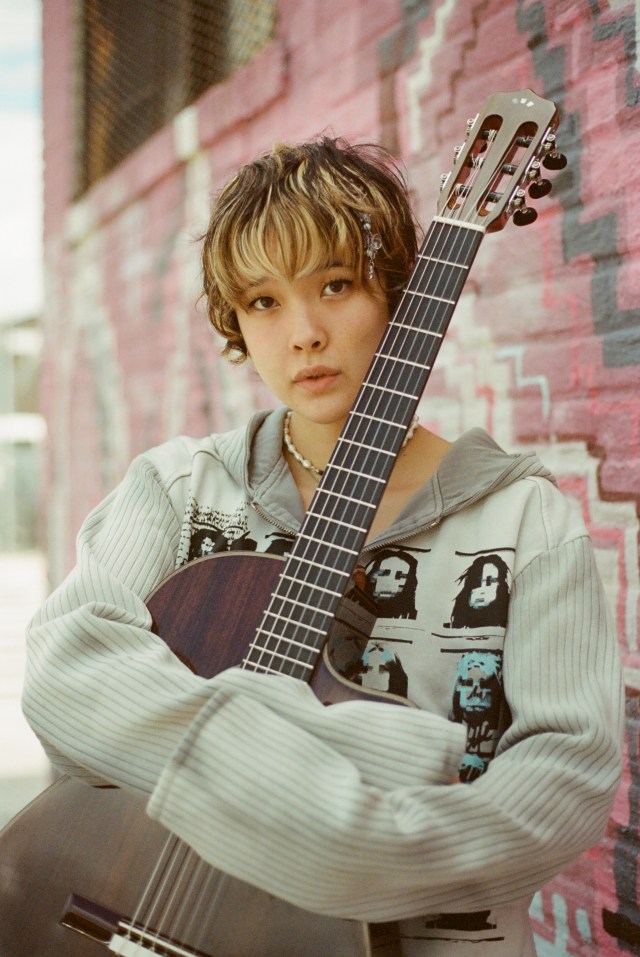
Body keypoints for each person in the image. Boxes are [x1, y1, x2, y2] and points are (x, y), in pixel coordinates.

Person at [22, 137, 623, 956]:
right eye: (264, 301)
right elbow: (68, 675)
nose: (303, 332)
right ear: (235, 320)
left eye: (334, 286)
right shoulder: (176, 488)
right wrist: (360, 755)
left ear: (398, 295)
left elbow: (564, 783)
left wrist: (344, 843)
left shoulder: (526, 524)